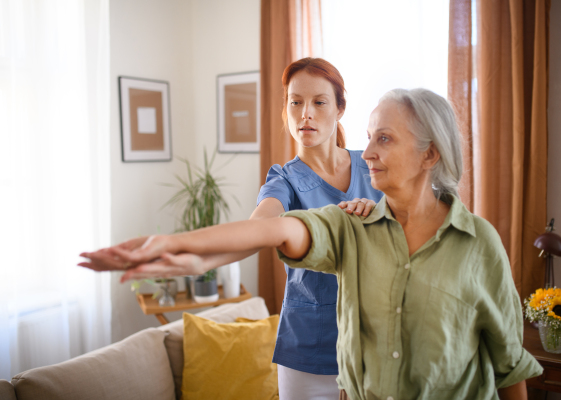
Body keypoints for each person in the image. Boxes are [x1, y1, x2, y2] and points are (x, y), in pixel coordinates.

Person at [81, 88, 542, 399]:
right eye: (369, 138)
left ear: (430, 153)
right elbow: (268, 229)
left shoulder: (479, 243)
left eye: (384, 138)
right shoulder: (349, 227)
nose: (371, 151)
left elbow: (509, 367)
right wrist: (171, 246)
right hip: (307, 352)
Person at [80, 58, 382, 400]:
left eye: (319, 102)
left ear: (340, 108)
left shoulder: (372, 166)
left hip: (373, 342)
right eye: (295, 102)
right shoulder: (283, 179)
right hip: (308, 347)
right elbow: (257, 230)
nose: (305, 113)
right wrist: (192, 258)